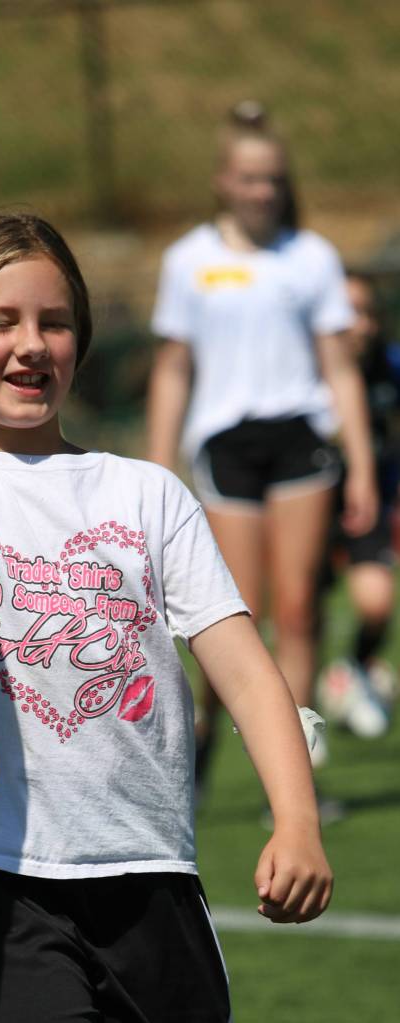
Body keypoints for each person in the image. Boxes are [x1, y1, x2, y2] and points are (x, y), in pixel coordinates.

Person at [0, 203, 332, 1021]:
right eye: (1, 321)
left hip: (152, 871)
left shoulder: (147, 493)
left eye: (55, 322)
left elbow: (245, 670)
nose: (32, 343)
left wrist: (298, 818)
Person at [147, 102, 377, 789]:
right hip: (226, 445)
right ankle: (209, 726)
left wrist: (361, 464)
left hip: (300, 441)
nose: (262, 190)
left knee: (300, 605)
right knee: (237, 614)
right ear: (223, 180)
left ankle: (297, 773)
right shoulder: (188, 259)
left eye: (272, 178)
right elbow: (173, 368)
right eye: (249, 177)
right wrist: (158, 469)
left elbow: (339, 367)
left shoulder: (311, 257)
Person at [317, 271, 400, 737]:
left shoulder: (389, 367)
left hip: (367, 506)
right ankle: (300, 721)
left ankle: (354, 670)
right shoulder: (302, 374)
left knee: (376, 603)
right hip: (306, 509)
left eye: (368, 313)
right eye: (350, 313)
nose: (361, 325)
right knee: (303, 615)